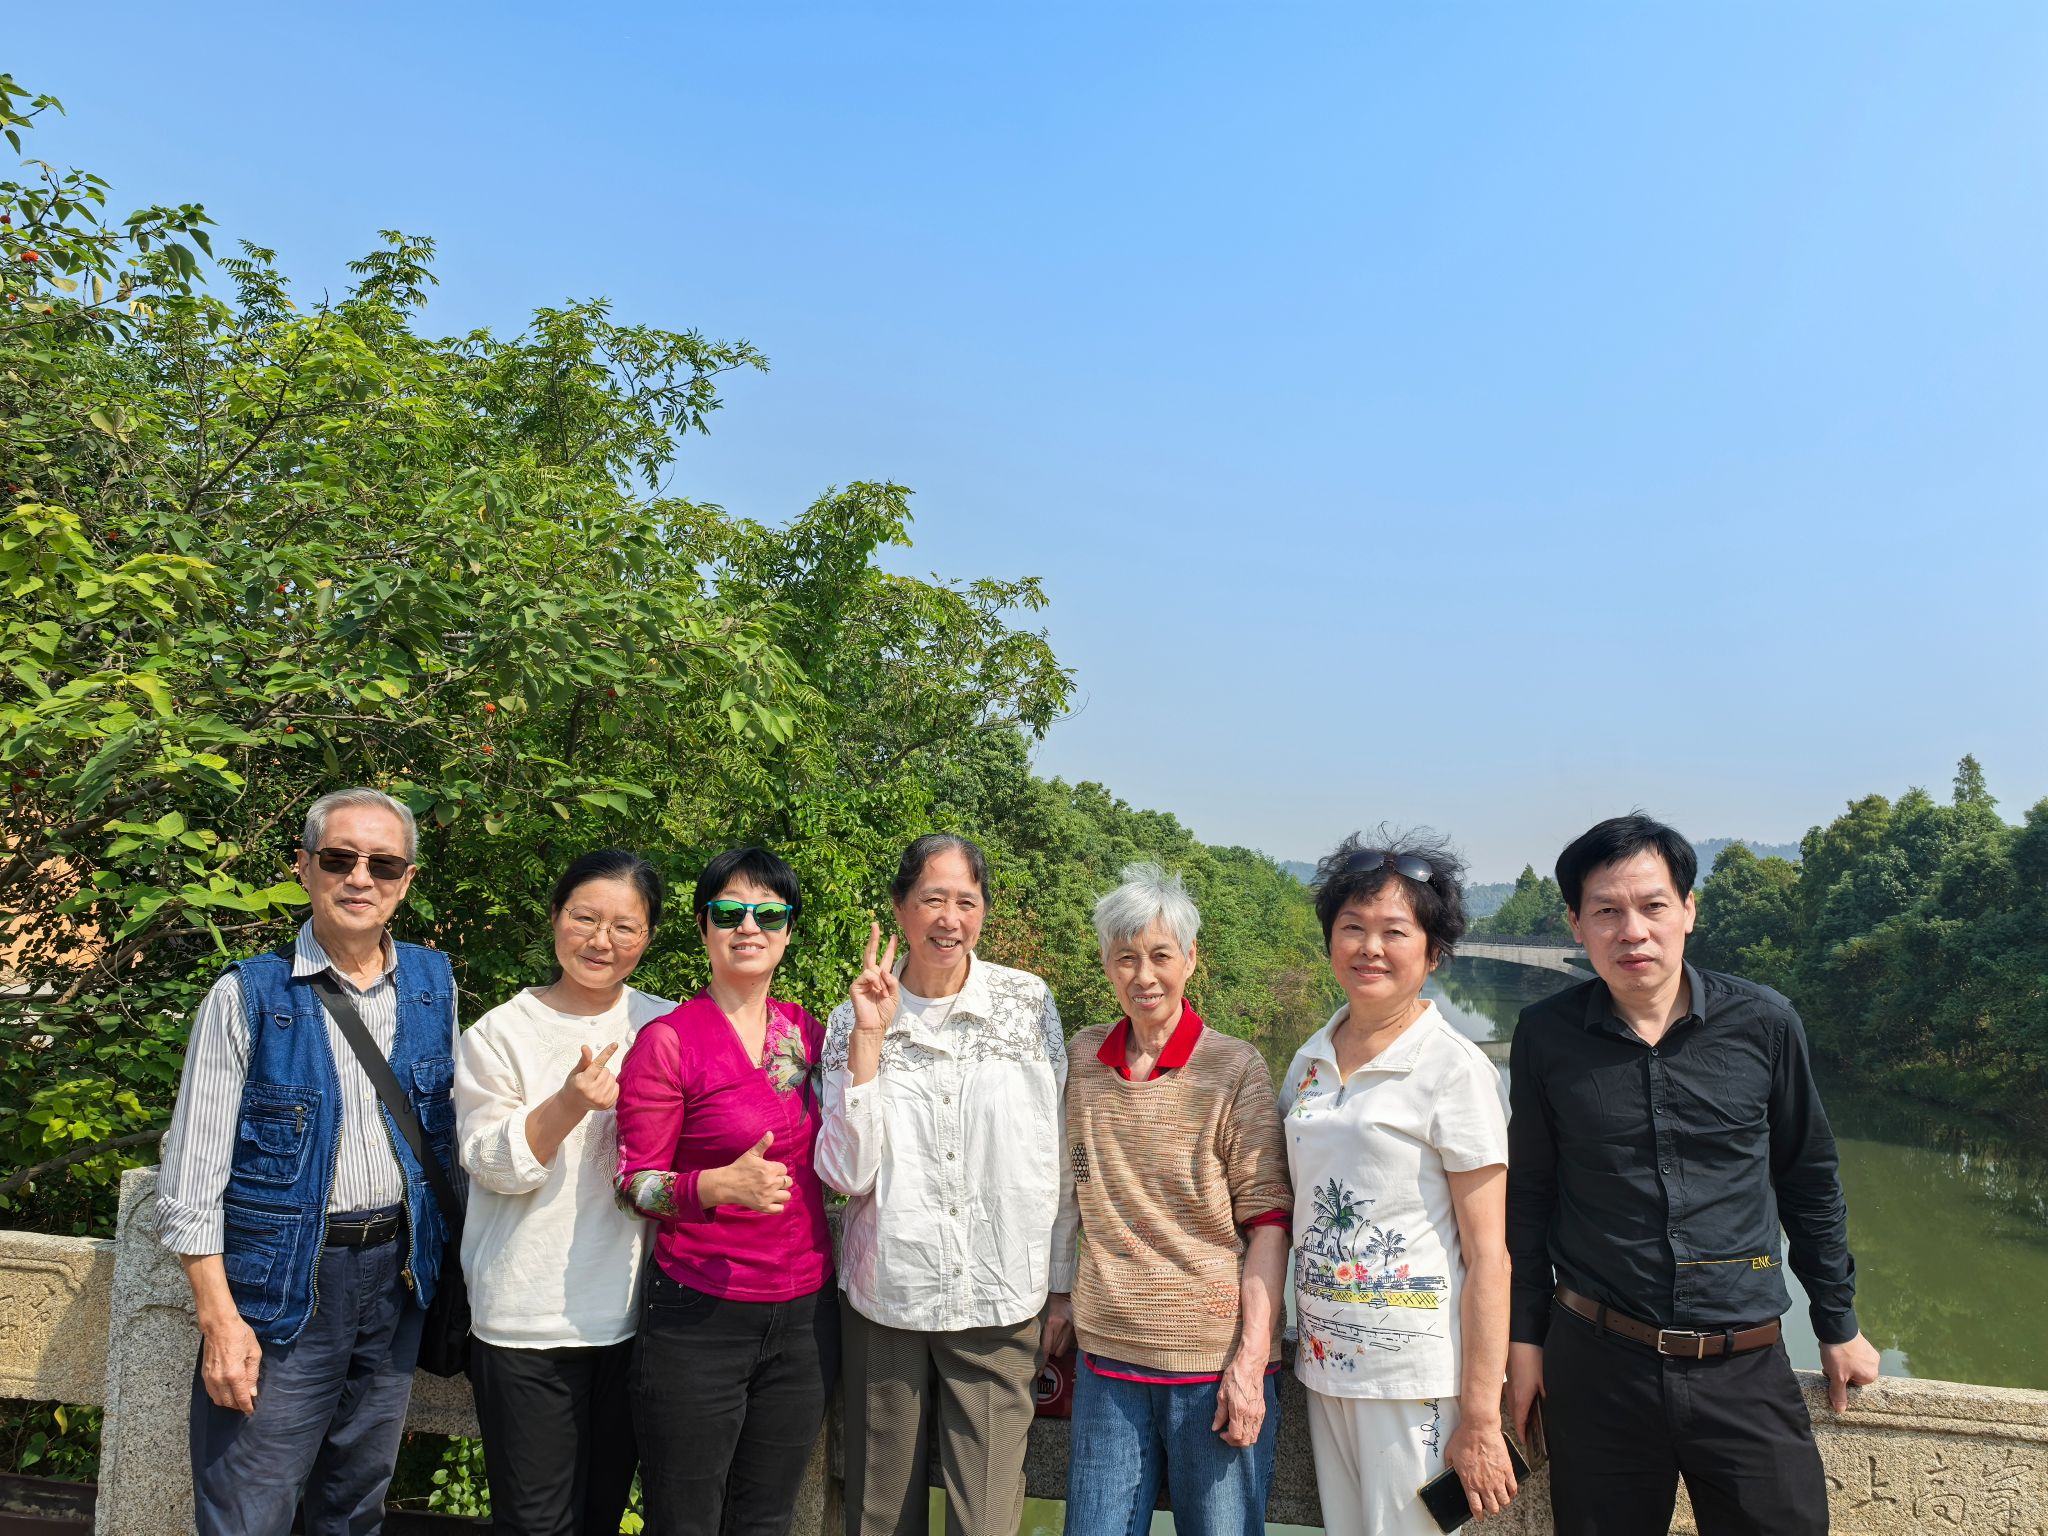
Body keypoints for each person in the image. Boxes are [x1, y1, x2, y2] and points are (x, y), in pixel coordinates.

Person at [1505, 814, 1882, 1535]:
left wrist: (1837, 1321)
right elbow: (1530, 1198)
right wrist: (1525, 1340)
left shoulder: (1765, 1022)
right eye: (1606, 912)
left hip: (1744, 1364)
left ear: (1688, 911)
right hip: (1596, 1363)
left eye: (1653, 906)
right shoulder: (1546, 1035)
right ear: (1575, 926)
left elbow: (1809, 1179)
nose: (1633, 932)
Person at [157, 787, 460, 1535]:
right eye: (339, 858)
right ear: (303, 867)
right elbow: (191, 1183)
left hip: (398, 1281)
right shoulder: (248, 996)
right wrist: (221, 1322)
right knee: (248, 1508)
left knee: (355, 1504)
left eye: (383, 864)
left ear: (407, 881)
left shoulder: (434, 985)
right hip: (282, 1289)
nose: (360, 878)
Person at [816, 834, 1075, 1536]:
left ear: (984, 910)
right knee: (879, 1514)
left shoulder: (1027, 1004)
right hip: (888, 1297)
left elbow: (1056, 1155)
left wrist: (1060, 1285)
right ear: (901, 907)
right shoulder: (851, 1018)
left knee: (984, 1517)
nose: (950, 919)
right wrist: (869, 1042)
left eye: (967, 901)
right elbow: (845, 1175)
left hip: (1000, 1297)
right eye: (933, 899)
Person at [1278, 833, 1516, 1536]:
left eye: (1394, 932)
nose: (1370, 948)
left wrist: (1481, 1416)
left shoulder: (1454, 1069)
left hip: (1413, 1382)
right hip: (1323, 1365)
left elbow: (1490, 1257)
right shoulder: (1309, 1061)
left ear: (1433, 953)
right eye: (1352, 927)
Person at [1057, 863, 1292, 1536]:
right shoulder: (1081, 1060)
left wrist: (1251, 1361)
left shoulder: (1234, 1067)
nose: (1144, 975)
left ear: (1191, 959)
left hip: (1211, 1367)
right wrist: (1057, 1298)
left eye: (1160, 955)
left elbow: (1269, 1222)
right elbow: (1067, 1187)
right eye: (1125, 958)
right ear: (1107, 965)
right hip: (1105, 1361)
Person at [613, 845, 837, 1536]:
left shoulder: (806, 1034)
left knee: (766, 1518)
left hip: (804, 1316)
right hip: (699, 1314)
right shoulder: (669, 1041)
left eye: (768, 914)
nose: (748, 927)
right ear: (704, 926)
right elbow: (634, 1184)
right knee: (685, 1519)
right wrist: (713, 1186)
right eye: (729, 912)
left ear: (788, 931)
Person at [453, 849, 674, 1536]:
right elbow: (490, 1163)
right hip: (526, 1320)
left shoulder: (667, 1026)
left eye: (624, 927)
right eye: (584, 918)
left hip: (635, 1319)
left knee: (600, 1516)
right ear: (555, 917)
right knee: (535, 1523)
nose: (601, 940)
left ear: (648, 937)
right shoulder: (500, 1034)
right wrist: (570, 1103)